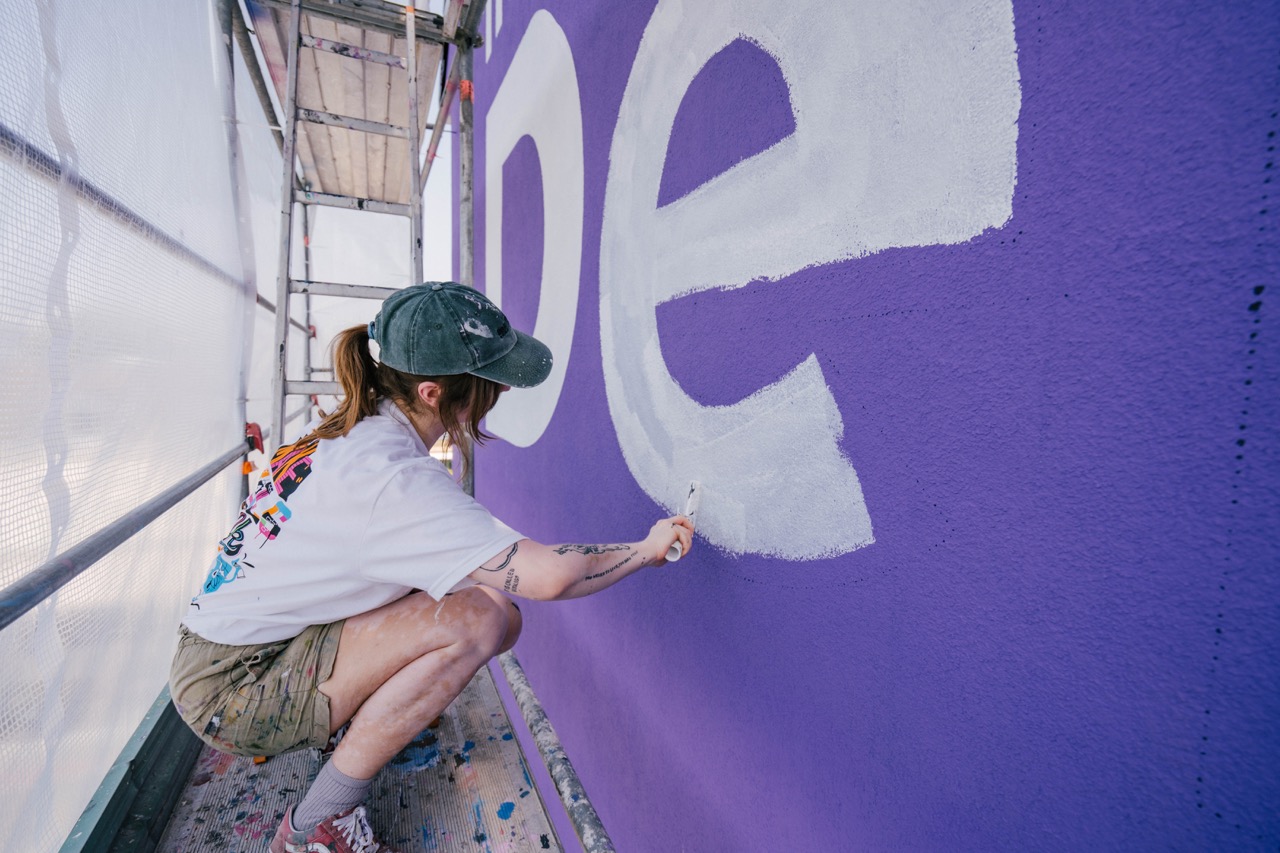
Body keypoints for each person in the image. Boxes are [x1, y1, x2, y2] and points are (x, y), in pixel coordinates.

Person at [169, 282, 694, 853]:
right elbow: (549, 577)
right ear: (433, 392)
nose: (496, 393)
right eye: (487, 383)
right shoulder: (392, 480)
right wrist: (646, 549)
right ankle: (312, 829)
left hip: (224, 653)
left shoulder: (352, 431)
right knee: (480, 622)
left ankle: (350, 727)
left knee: (496, 613)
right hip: (236, 692)